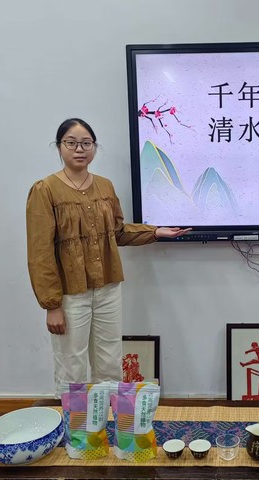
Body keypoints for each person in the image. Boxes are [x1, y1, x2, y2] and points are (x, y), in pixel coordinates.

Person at [26, 118, 190, 395]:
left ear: (94, 147)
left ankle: (107, 419)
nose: (79, 149)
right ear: (59, 147)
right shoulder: (45, 190)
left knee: (110, 361)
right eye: (71, 143)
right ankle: (75, 422)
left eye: (86, 143)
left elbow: (117, 232)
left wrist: (155, 232)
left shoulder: (105, 186)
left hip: (108, 288)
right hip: (70, 293)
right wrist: (51, 305)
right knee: (71, 363)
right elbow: (39, 252)